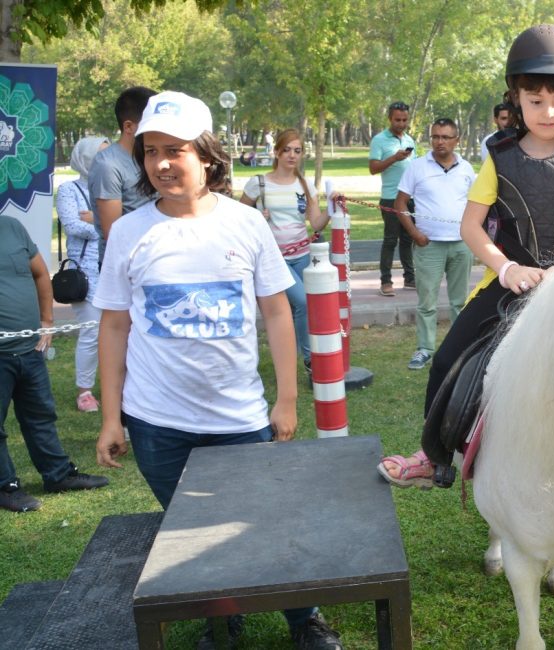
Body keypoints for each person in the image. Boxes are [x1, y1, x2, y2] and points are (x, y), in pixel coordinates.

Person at [93, 91, 342, 650]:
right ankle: (222, 615)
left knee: (262, 523)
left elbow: (277, 312)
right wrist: (113, 418)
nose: (160, 163)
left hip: (238, 418)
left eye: (174, 150)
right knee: (193, 532)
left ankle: (303, 618)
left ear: (206, 156)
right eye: (149, 151)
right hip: (157, 425)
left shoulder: (245, 224)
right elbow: (113, 327)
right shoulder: (129, 233)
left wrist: (286, 400)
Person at [379, 23, 554, 488]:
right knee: (446, 359)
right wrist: (506, 268)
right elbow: (471, 226)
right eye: (536, 101)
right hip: (507, 284)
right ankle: (432, 456)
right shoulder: (498, 157)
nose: (548, 112)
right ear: (517, 99)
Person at [0, 215, 109, 513]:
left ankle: (58, 475)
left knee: (40, 416)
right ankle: (5, 486)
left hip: (29, 349)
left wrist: (47, 321)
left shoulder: (11, 227)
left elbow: (38, 274)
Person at [240, 128, 329, 376]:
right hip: (274, 259)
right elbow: (239, 218)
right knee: (302, 302)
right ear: (277, 152)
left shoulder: (305, 185)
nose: (292, 155)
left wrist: (332, 208)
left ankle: (292, 353)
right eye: (287, 150)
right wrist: (257, 216)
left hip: (302, 255)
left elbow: (316, 223)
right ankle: (311, 360)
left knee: (302, 306)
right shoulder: (258, 183)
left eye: (297, 151)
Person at [394, 117, 476, 371]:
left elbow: (476, 204)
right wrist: (414, 233)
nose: (440, 142)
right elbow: (399, 204)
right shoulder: (417, 167)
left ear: (456, 140)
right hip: (428, 245)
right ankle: (425, 349)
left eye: (445, 137)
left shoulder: (466, 169)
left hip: (461, 244)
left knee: (459, 302)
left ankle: (459, 349)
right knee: (426, 302)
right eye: (435, 137)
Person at [56, 135, 109, 411]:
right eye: (99, 155)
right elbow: (73, 225)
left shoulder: (113, 187)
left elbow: (127, 219)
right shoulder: (69, 190)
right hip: (86, 274)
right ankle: (85, 391)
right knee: (92, 331)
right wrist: (106, 224)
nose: (105, 160)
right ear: (86, 159)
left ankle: (119, 383)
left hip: (114, 269)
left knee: (121, 330)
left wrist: (96, 218)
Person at [89, 86, 157, 258]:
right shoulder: (107, 165)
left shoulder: (152, 157)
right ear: (129, 127)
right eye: (151, 123)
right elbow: (113, 233)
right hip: (125, 263)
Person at [369, 101, 417, 296]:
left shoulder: (410, 140)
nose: (401, 123)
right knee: (390, 240)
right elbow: (373, 168)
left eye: (405, 120)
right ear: (390, 118)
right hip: (390, 197)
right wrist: (393, 159)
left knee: (408, 239)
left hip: (410, 198)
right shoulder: (379, 140)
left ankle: (410, 278)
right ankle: (385, 281)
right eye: (397, 120)